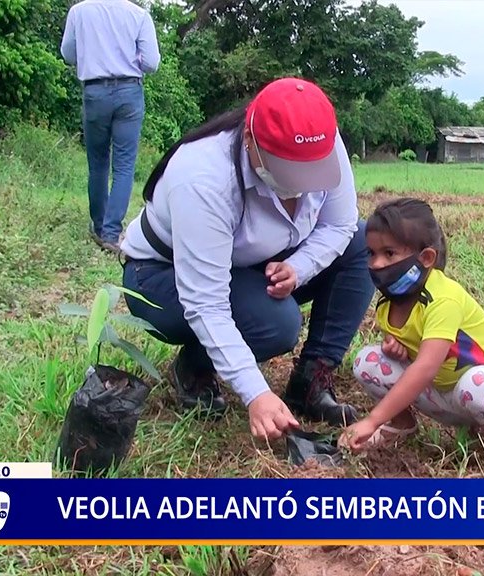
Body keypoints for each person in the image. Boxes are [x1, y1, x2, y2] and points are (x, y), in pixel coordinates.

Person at [119, 77, 376, 442]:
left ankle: (310, 382)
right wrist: (256, 393)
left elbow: (342, 223)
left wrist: (299, 267)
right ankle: (194, 366)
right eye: (289, 171)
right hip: (163, 277)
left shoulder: (320, 139)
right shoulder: (203, 178)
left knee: (364, 242)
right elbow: (205, 302)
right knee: (276, 323)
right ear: (251, 142)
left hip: (252, 264)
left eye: (310, 172)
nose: (301, 186)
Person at [339, 198, 484, 473]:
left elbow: (425, 366)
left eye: (389, 253)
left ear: (426, 258)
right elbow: (413, 345)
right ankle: (401, 424)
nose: (376, 264)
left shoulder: (443, 299)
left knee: (481, 383)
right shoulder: (389, 300)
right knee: (367, 360)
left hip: (480, 390)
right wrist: (395, 346)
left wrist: (372, 419)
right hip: (439, 393)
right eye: (371, 253)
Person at [61, 0, 161, 253]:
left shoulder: (79, 11)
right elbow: (151, 63)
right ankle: (111, 233)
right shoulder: (139, 15)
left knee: (97, 162)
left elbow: (68, 55)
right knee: (124, 165)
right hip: (129, 91)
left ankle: (98, 226)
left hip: (95, 91)